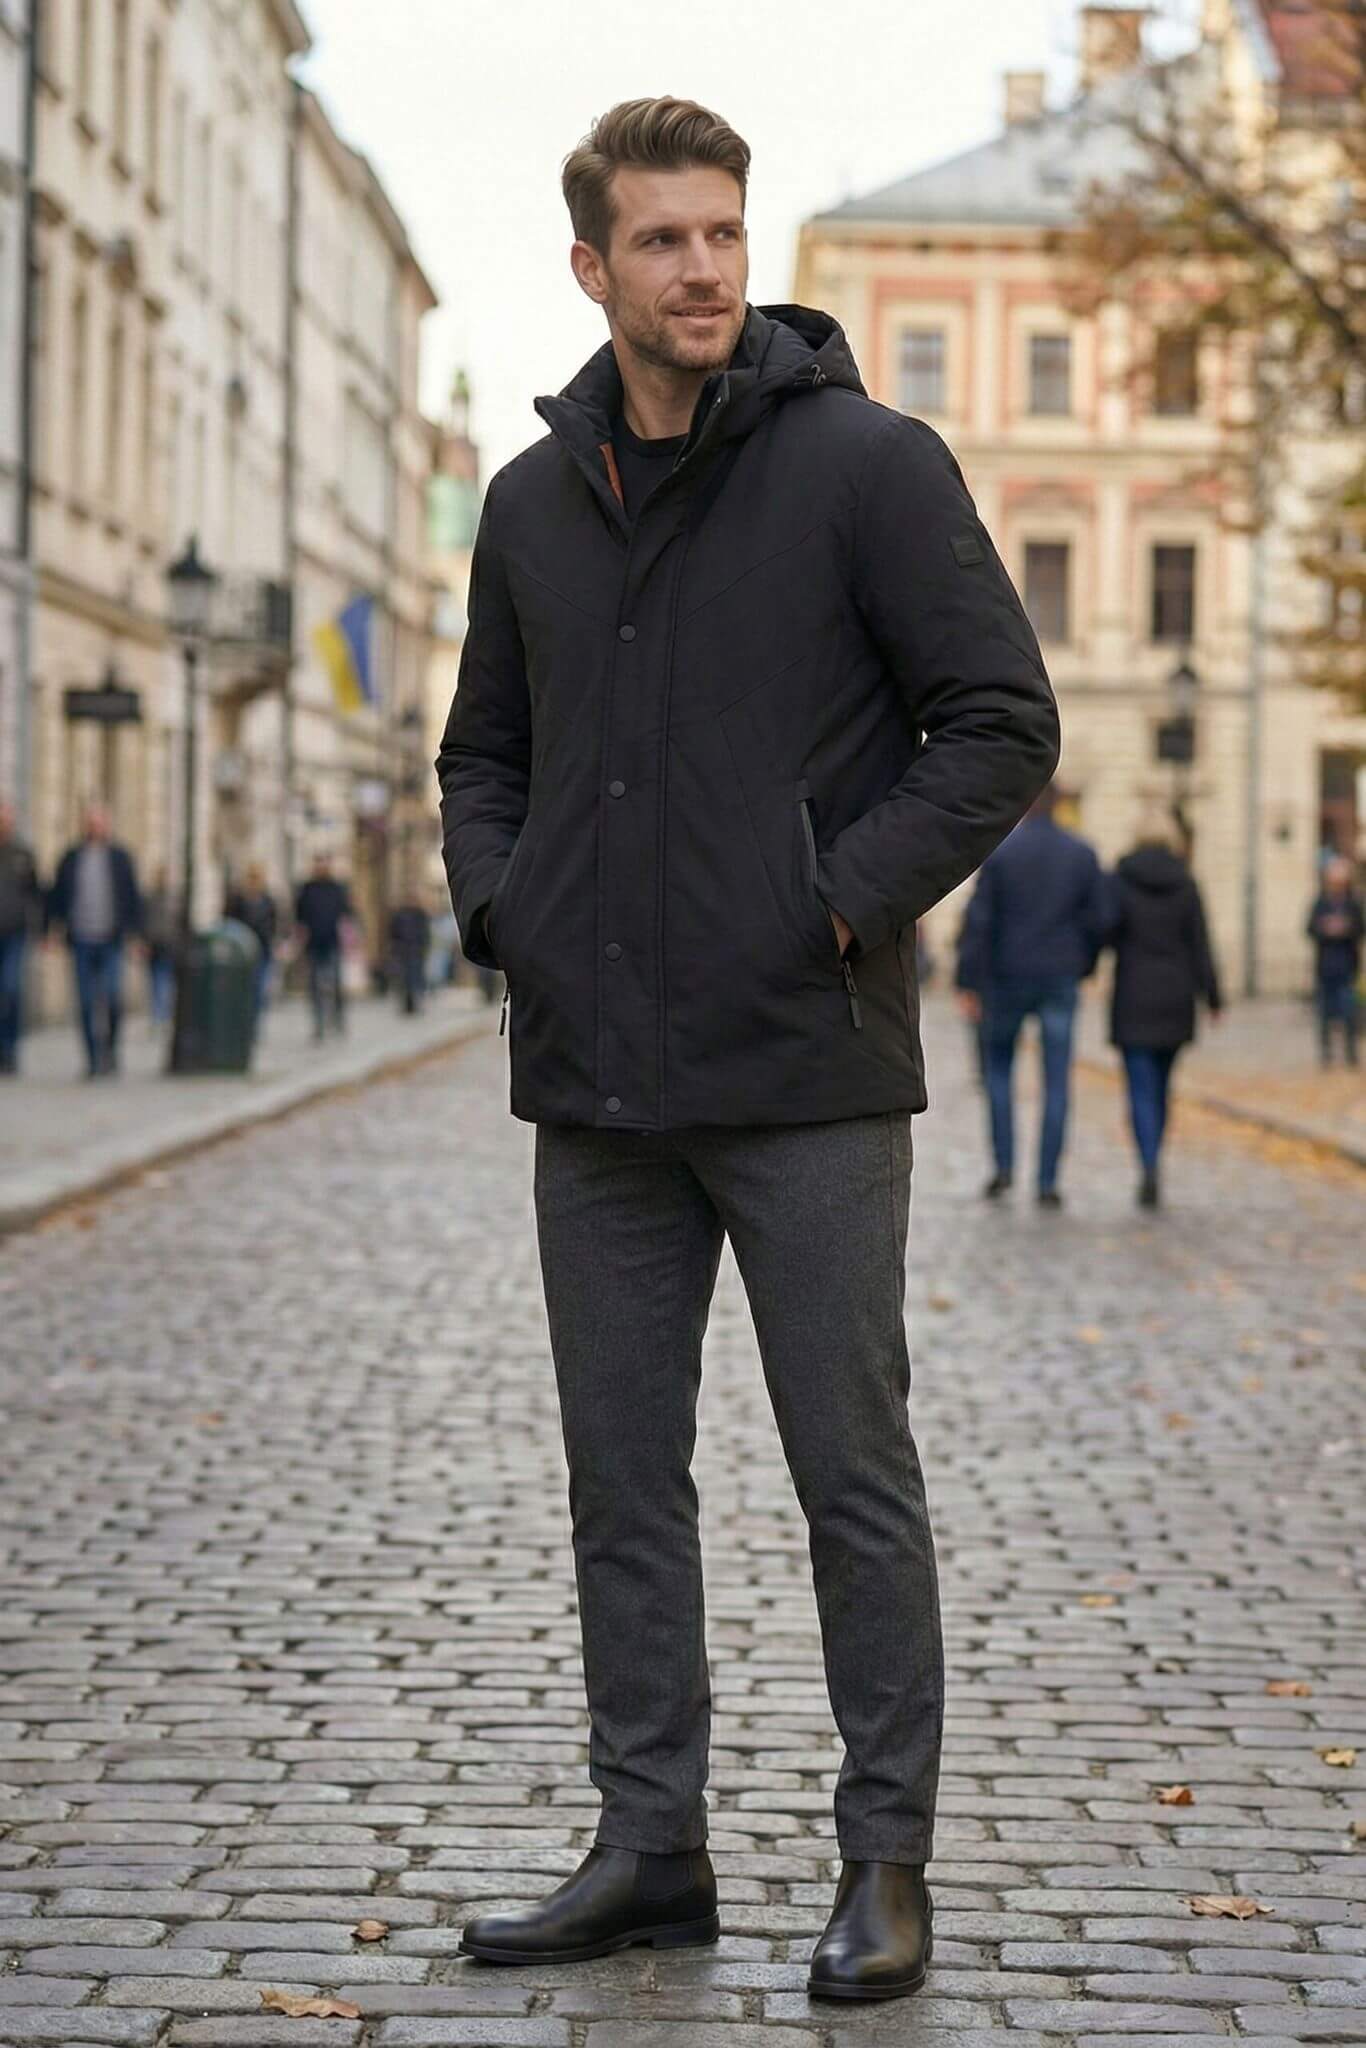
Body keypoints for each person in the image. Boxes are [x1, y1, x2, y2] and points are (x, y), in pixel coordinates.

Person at [436, 98, 1059, 2001]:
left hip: (805, 1071)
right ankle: (653, 1842)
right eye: (661, 241)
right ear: (590, 266)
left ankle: (886, 1858)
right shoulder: (532, 503)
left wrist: (835, 903)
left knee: (848, 1470)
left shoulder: (869, 464)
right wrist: (505, 911)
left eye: (722, 233)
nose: (703, 268)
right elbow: (483, 754)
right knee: (623, 1481)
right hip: (600, 1087)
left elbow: (998, 720)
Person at [954, 786, 1110, 1208]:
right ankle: (1047, 1179)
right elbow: (1100, 920)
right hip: (1059, 976)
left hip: (1007, 977)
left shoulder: (1002, 853)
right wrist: (1084, 964)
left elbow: (979, 921)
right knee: (1056, 1079)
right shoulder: (1081, 854)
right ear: (1059, 806)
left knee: (999, 1072)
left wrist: (968, 981)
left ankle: (1004, 1166)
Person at [1108, 816, 1223, 1208]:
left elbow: (1105, 929)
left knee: (1140, 1087)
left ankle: (1148, 1162)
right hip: (1176, 997)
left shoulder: (1121, 881)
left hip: (1134, 994)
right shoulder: (1187, 883)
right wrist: (1214, 997)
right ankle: (1155, 1157)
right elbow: (1200, 944)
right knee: (1162, 1086)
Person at [46, 805, 144, 1078]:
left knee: (112, 997)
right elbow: (57, 897)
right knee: (87, 1001)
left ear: (108, 825)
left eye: (100, 822)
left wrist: (136, 936)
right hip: (81, 938)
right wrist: (52, 931)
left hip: (112, 939)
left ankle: (110, 1049)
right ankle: (92, 1059)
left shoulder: (120, 858)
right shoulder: (71, 857)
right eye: (91, 823)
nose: (95, 827)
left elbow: (132, 898)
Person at [1306, 857, 1362, 1068]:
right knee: (1324, 1013)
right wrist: (1325, 929)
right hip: (1325, 966)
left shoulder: (1353, 904)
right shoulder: (1321, 903)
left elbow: (1360, 928)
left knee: (1348, 1011)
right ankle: (1326, 1052)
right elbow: (1310, 928)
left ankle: (1350, 1052)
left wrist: (1346, 928)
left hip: (1347, 965)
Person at [0, 802, 43, 1075]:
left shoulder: (22, 855)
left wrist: (38, 929)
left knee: (12, 989)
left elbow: (35, 895)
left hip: (15, 934)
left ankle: (10, 1049)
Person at [293, 853, 353, 1040]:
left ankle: (337, 1019)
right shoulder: (307, 889)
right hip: (314, 944)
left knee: (335, 984)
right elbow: (299, 916)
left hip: (332, 942)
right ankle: (318, 1024)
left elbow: (346, 914)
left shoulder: (337, 888)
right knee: (315, 987)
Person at [225, 864, 280, 1033]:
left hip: (263, 949)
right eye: (251, 877)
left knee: (260, 989)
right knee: (245, 988)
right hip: (243, 952)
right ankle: (244, 1021)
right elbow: (230, 922)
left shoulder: (268, 900)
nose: (254, 881)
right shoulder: (238, 899)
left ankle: (254, 1023)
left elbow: (275, 922)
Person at [142, 867, 180, 1029]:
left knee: (166, 981)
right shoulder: (150, 898)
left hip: (170, 945)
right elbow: (145, 921)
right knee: (156, 980)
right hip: (155, 945)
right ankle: (158, 1015)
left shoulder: (174, 899)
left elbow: (179, 924)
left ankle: (163, 1015)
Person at [388, 894, 431, 1015]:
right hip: (403, 951)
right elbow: (393, 932)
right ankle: (407, 1005)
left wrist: (423, 946)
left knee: (416, 978)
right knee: (405, 979)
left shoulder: (420, 914)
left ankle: (415, 1003)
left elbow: (425, 932)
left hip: (416, 950)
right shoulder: (399, 915)